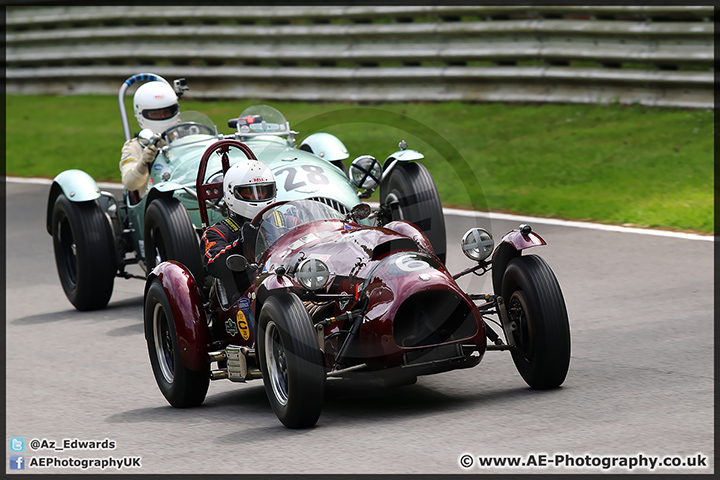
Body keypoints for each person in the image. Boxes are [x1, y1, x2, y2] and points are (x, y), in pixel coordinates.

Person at [202, 159, 277, 294]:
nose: (258, 197)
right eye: (249, 192)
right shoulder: (217, 232)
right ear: (232, 193)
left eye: (263, 191)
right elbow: (214, 265)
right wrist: (241, 244)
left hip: (291, 284)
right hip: (246, 296)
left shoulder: (285, 220)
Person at [119, 81, 180, 198]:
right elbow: (130, 184)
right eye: (155, 114)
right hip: (154, 204)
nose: (162, 117)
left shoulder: (186, 138)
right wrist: (143, 163)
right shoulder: (134, 146)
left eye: (166, 112)